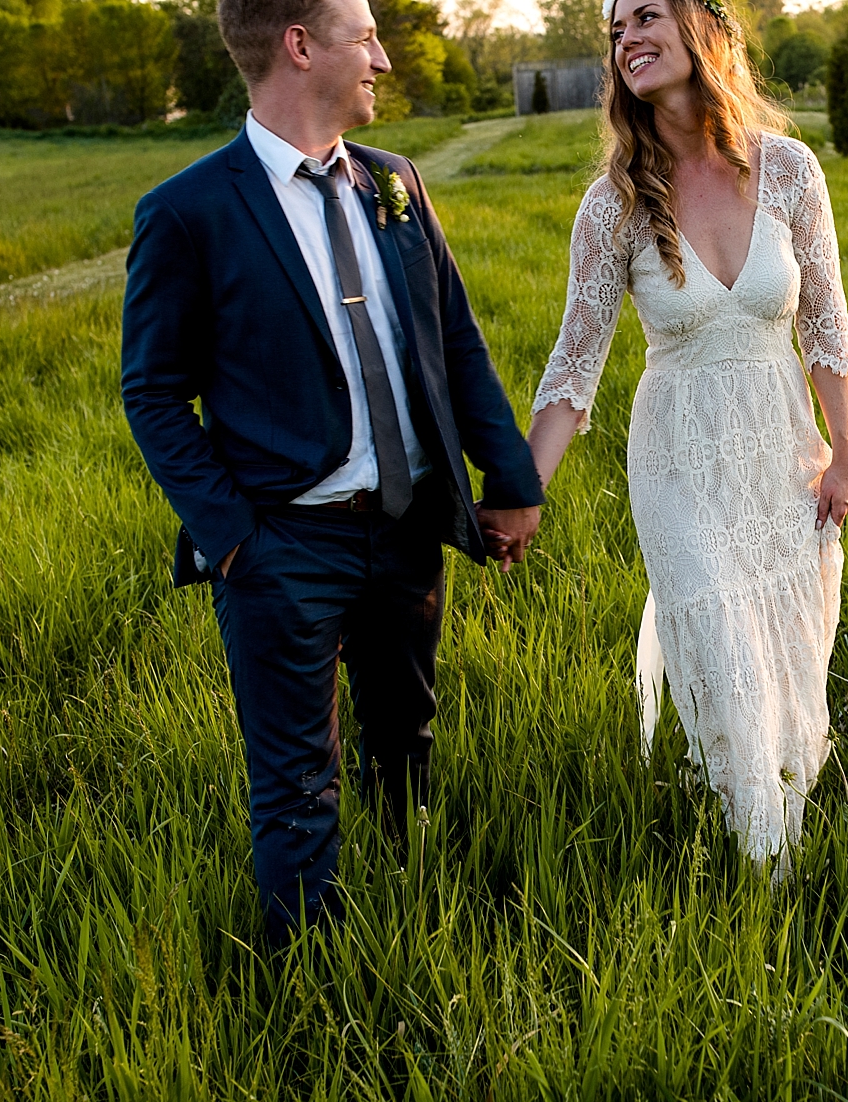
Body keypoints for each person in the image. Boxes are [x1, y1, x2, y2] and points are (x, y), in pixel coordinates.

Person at [120, 0, 543, 947]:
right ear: (300, 47)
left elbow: (457, 346)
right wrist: (236, 544)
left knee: (405, 744)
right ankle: (306, 1001)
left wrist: (510, 481)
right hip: (282, 546)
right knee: (298, 785)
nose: (384, 58)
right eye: (364, 36)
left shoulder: (395, 185)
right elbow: (151, 395)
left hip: (404, 530)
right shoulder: (190, 213)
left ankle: (414, 916)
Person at [528, 0, 848, 873]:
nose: (626, 36)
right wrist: (523, 491)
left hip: (781, 454)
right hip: (677, 462)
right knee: (723, 650)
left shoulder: (787, 169)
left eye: (645, 14)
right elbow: (574, 366)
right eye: (614, 30)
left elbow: (825, 320)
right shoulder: (614, 206)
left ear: (702, 29)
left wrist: (847, 449)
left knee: (785, 654)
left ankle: (773, 818)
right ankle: (766, 877)